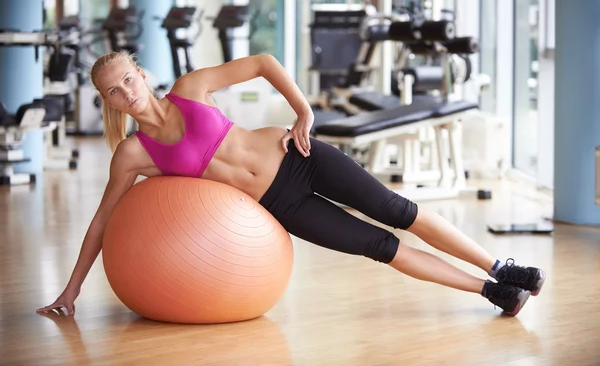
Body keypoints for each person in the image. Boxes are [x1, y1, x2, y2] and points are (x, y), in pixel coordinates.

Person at [37, 52, 546, 318]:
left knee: (399, 210)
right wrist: (73, 288)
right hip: (281, 206)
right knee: (382, 247)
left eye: (129, 79)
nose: (126, 92)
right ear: (108, 102)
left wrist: (303, 111)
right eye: (114, 91)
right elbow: (104, 220)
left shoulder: (192, 89)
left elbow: (263, 63)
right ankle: (494, 292)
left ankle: (504, 265)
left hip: (300, 157)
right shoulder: (133, 153)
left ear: (142, 75)